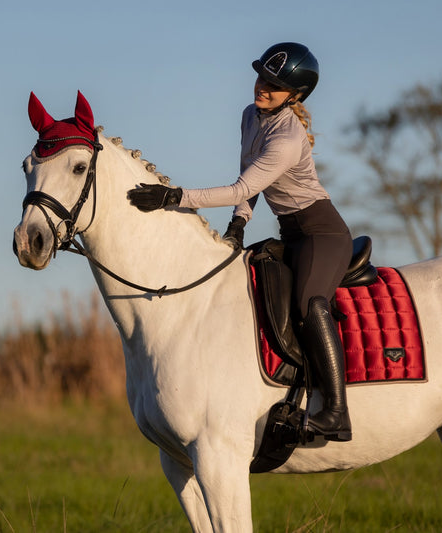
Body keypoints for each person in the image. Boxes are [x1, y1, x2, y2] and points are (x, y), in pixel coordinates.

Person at [126, 42, 353, 442]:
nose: (262, 87)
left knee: (308, 304)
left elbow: (241, 186)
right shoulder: (250, 116)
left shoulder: (288, 137)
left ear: (295, 96)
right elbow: (248, 181)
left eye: (275, 84)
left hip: (322, 234)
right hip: (290, 232)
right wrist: (239, 225)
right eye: (262, 76)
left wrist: (174, 196)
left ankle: (336, 413)